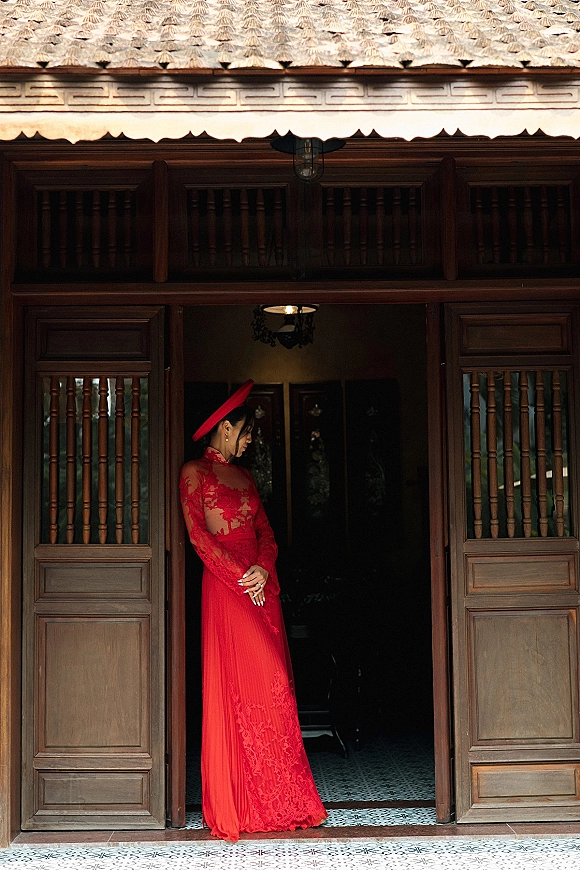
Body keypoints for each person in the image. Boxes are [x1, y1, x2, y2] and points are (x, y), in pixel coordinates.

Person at [180, 380, 327, 842]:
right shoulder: (194, 474)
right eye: (245, 433)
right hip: (227, 590)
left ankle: (279, 800)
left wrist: (262, 569)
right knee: (242, 688)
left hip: (261, 590)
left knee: (274, 685)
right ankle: (239, 804)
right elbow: (199, 539)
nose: (249, 442)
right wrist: (242, 578)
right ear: (225, 428)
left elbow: (266, 532)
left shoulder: (245, 478)